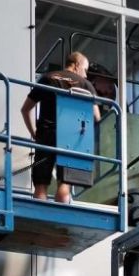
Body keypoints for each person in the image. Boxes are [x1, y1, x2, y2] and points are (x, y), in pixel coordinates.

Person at [21, 51, 101, 203]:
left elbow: (25, 109)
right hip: (71, 137)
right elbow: (96, 116)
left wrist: (35, 134)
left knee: (40, 186)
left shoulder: (47, 78)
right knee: (64, 186)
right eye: (85, 70)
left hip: (46, 134)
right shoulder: (86, 85)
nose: (85, 75)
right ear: (77, 65)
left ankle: (39, 217)